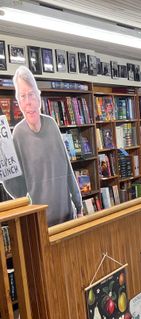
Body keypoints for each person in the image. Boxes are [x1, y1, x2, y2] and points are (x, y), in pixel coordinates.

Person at [6, 66, 82, 226]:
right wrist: (3, 165)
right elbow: (18, 191)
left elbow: (67, 167)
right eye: (23, 96)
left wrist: (78, 204)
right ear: (19, 103)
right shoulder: (18, 135)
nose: (28, 102)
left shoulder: (52, 124)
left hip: (68, 218)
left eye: (31, 94)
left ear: (38, 97)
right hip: (41, 224)